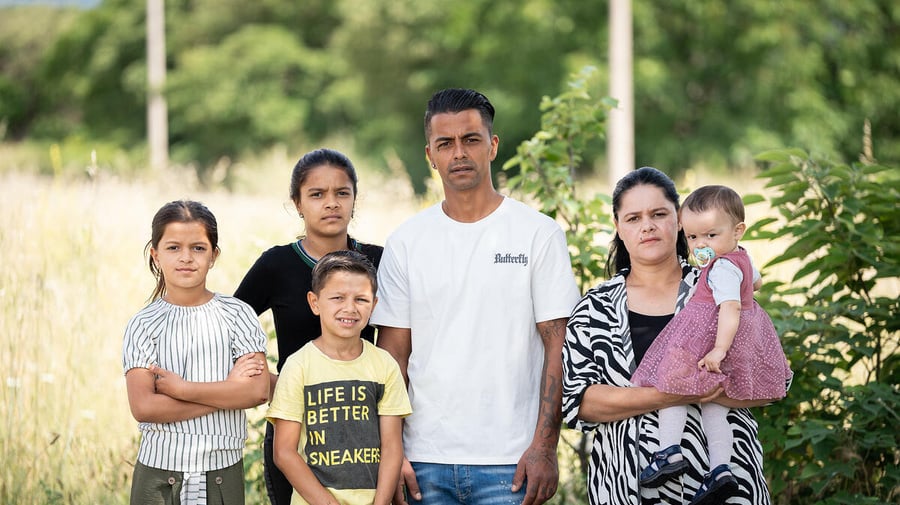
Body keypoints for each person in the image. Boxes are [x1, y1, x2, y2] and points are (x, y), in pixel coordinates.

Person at [372, 88, 581, 505]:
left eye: (471, 139)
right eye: (445, 144)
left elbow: (558, 344)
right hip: (423, 460)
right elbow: (392, 356)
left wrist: (544, 446)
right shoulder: (406, 241)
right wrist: (392, 453)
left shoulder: (537, 234)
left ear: (493, 145)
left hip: (512, 462)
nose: (459, 153)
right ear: (429, 154)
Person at [562, 168, 788, 505]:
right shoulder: (595, 307)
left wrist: (699, 387)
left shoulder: (720, 286)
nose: (648, 225)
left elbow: (771, 384)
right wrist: (673, 394)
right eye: (634, 218)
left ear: (679, 220)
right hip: (626, 486)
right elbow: (579, 402)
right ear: (618, 227)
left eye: (659, 214)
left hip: (728, 488)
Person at [234, 148, 384, 505]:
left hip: (365, 424)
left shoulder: (379, 260)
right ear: (297, 203)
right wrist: (269, 382)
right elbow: (228, 325)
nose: (330, 203)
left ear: (354, 199)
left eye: (341, 193)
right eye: (317, 194)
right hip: (295, 429)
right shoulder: (277, 264)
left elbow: (400, 339)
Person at [630, 185, 792, 504]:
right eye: (692, 238)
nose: (701, 245)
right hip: (737, 334)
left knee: (672, 385)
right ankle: (721, 470)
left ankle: (669, 452)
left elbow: (729, 307)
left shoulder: (721, 268)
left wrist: (718, 349)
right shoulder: (741, 257)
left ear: (738, 231)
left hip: (707, 334)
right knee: (714, 405)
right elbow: (756, 283)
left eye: (710, 236)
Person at [123, 200, 269, 505]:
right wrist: (228, 393)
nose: (186, 258)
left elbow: (256, 391)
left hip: (221, 472)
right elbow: (144, 407)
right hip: (159, 474)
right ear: (155, 254)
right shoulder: (143, 324)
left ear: (214, 255)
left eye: (198, 248)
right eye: (173, 248)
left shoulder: (237, 315)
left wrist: (181, 389)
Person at [267, 250, 412, 505]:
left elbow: (391, 448)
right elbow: (284, 452)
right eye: (337, 298)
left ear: (374, 306)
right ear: (314, 302)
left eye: (361, 299)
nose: (350, 308)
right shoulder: (299, 366)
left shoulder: (384, 366)